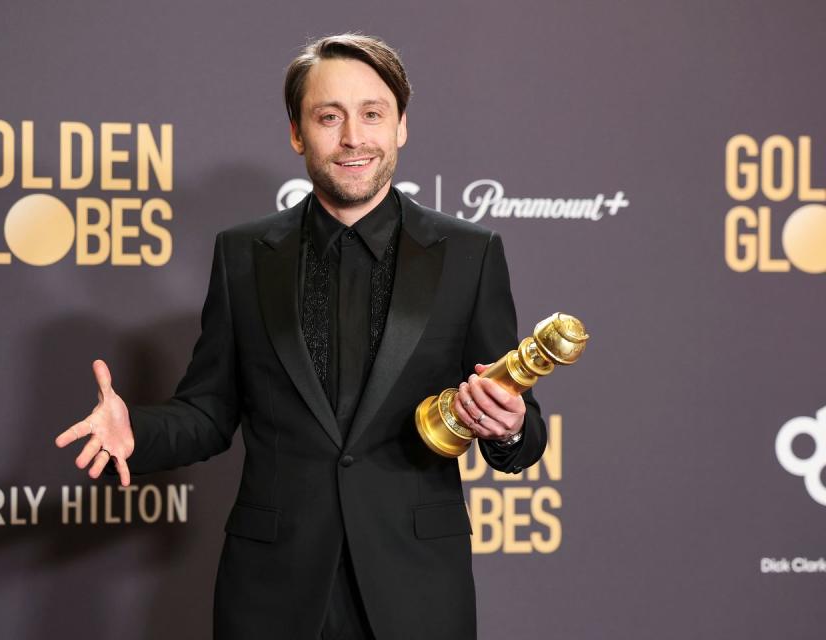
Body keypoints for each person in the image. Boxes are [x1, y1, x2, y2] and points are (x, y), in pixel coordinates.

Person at [56, 33, 546, 640]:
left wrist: (512, 426)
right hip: (272, 590)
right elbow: (210, 411)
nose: (353, 137)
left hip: (416, 589)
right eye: (328, 117)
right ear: (296, 133)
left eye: (373, 114)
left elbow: (520, 431)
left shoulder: (471, 254)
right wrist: (137, 434)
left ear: (401, 128)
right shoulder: (243, 255)